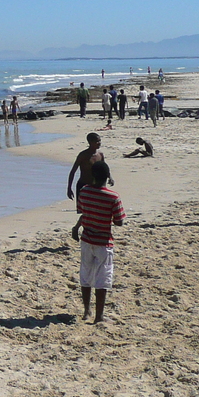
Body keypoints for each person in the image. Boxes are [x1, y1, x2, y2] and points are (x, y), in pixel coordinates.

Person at [73, 161, 125, 324]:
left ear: (93, 175)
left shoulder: (84, 191)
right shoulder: (113, 196)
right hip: (103, 241)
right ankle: (99, 316)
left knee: (86, 274)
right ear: (107, 176)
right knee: (103, 277)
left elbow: (83, 212)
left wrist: (76, 227)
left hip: (87, 239)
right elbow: (119, 222)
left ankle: (87, 310)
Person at [67, 133, 105, 200]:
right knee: (81, 209)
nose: (99, 143)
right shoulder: (83, 155)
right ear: (90, 142)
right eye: (97, 141)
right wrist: (69, 188)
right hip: (83, 185)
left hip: (96, 186)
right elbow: (73, 172)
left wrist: (110, 177)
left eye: (100, 141)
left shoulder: (100, 154)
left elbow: (104, 169)